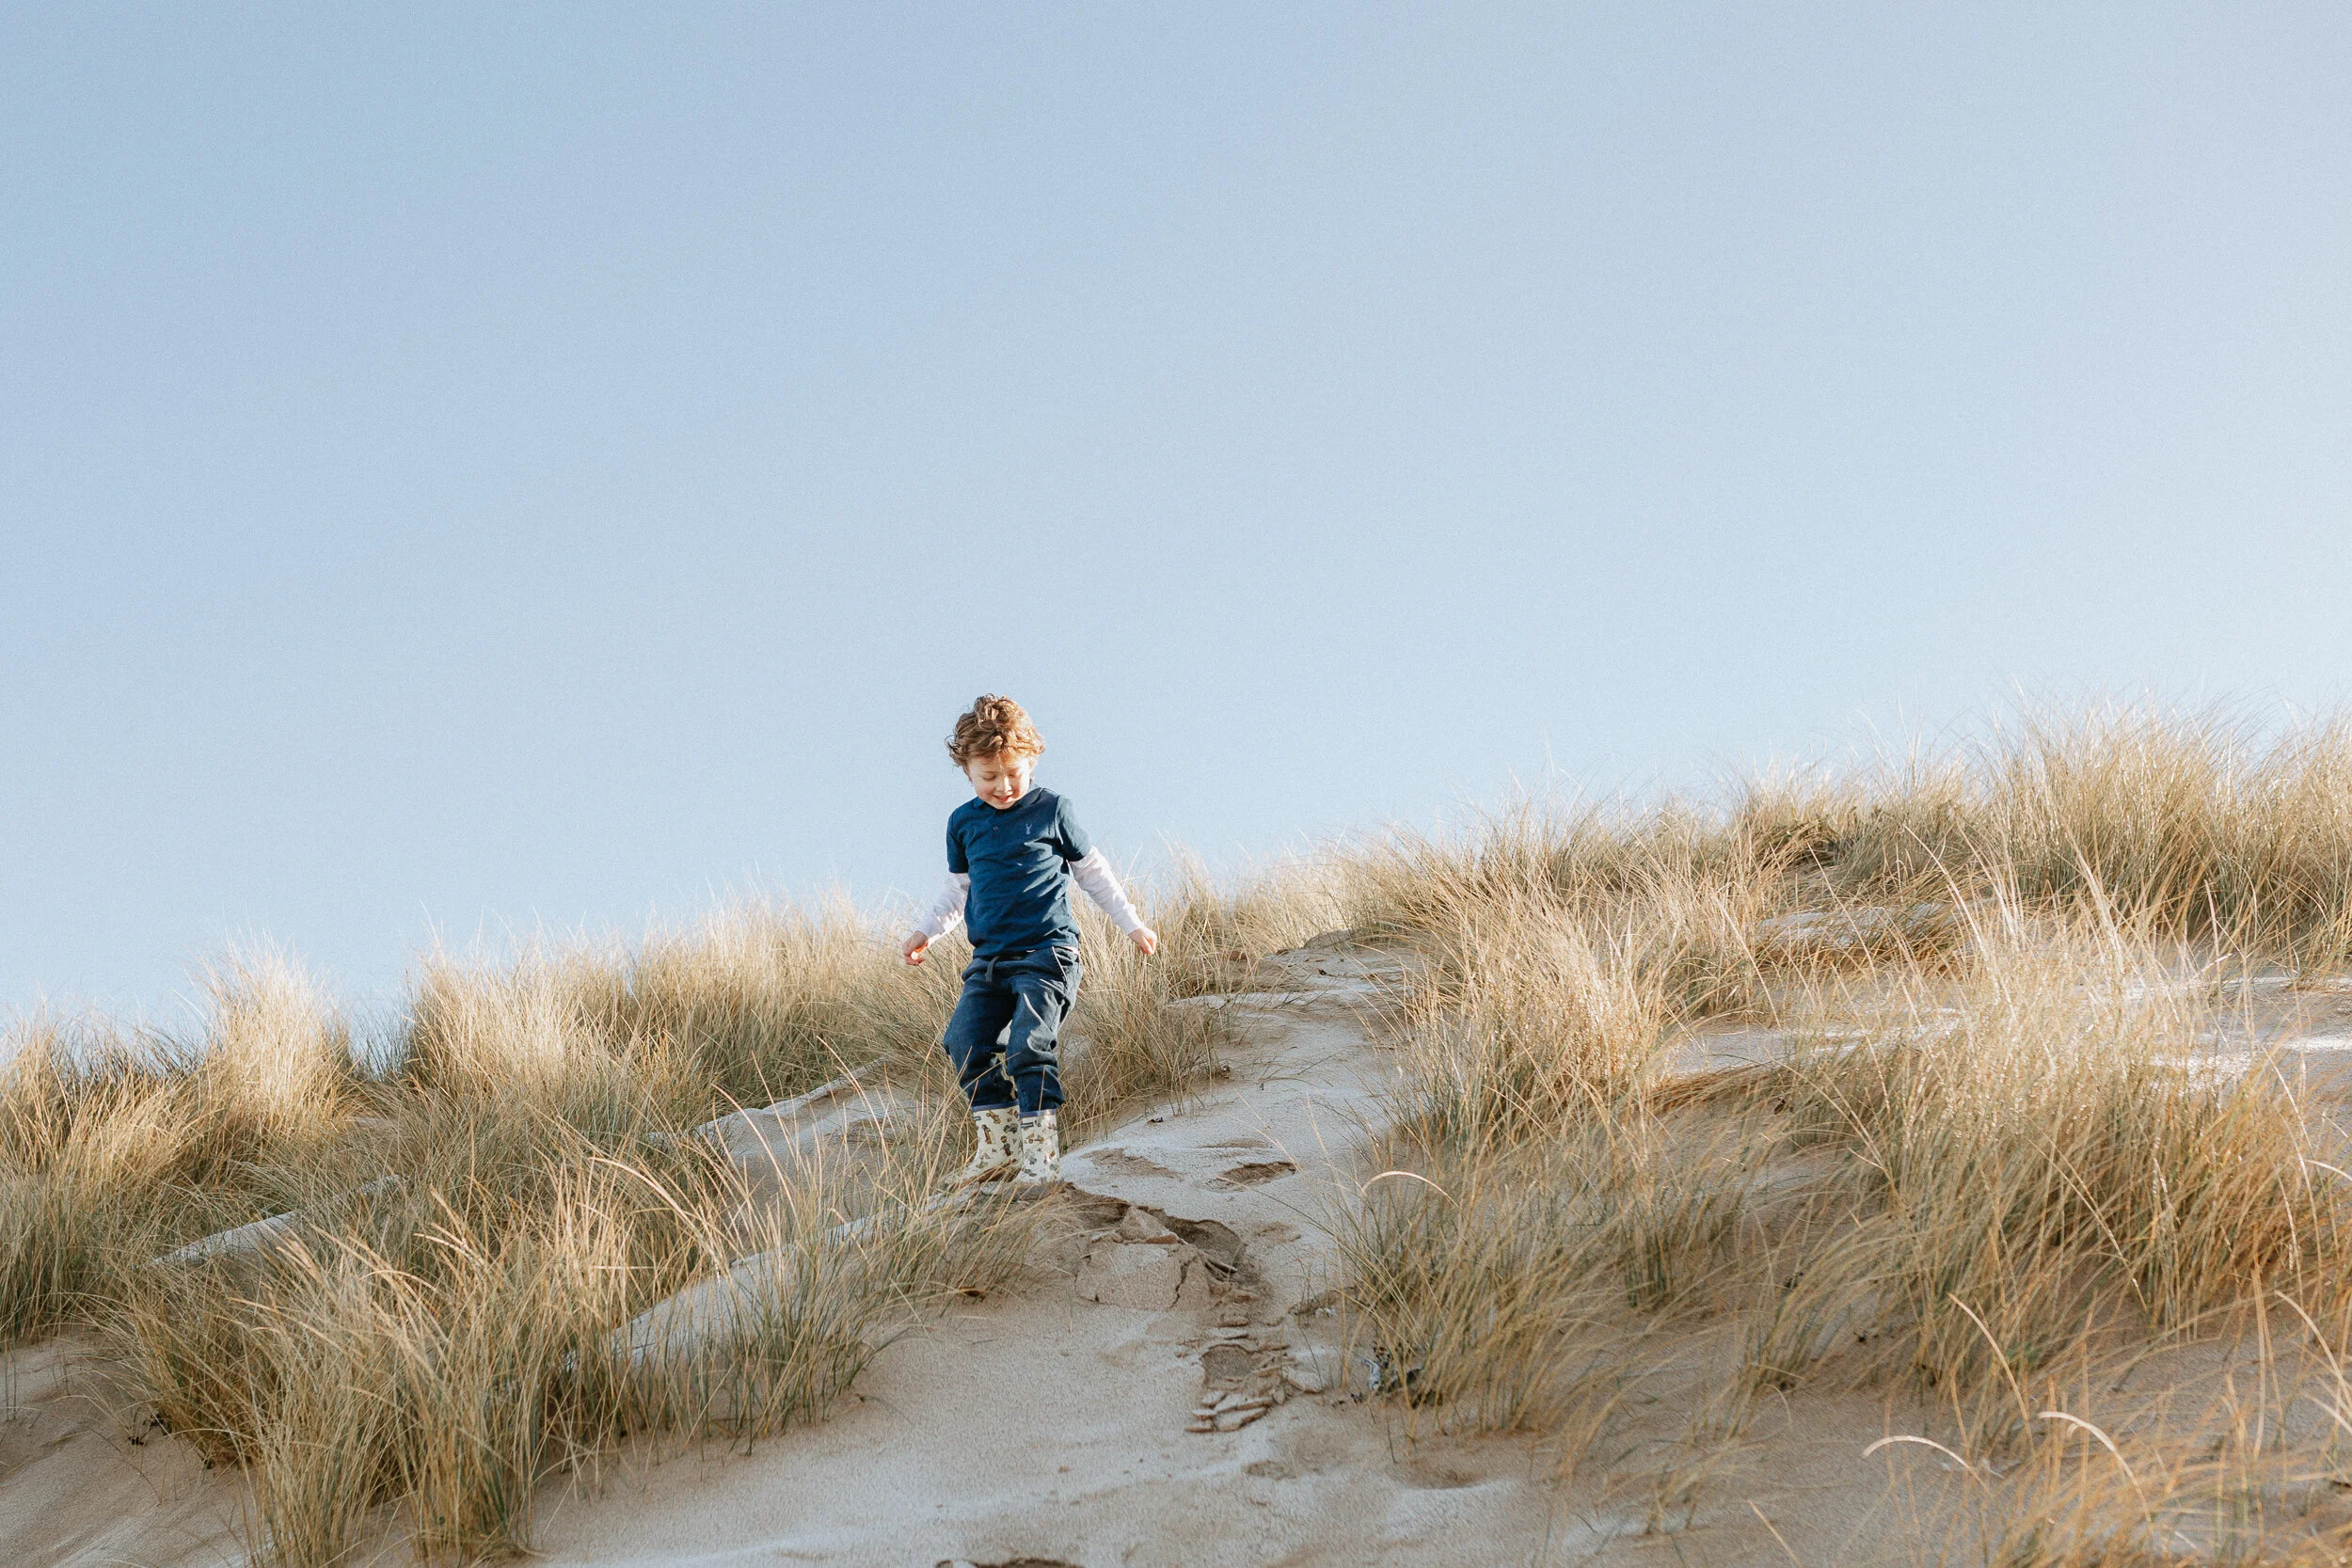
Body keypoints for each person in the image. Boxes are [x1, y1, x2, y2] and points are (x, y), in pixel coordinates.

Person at [901, 695, 1157, 1186]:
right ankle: (998, 1148)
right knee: (962, 1040)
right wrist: (927, 932)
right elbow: (958, 890)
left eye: (1014, 773)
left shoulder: (1053, 810)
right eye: (988, 777)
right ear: (968, 773)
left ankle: (1041, 1157)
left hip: (1048, 954)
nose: (1003, 786)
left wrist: (1133, 924)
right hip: (989, 962)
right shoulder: (963, 823)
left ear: (1032, 761)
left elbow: (1093, 874)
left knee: (1028, 1045)